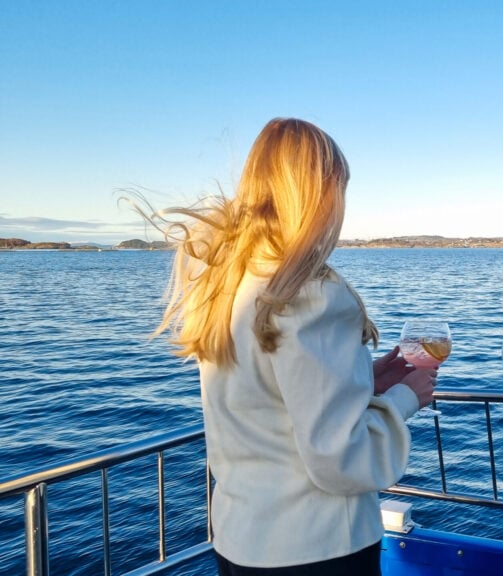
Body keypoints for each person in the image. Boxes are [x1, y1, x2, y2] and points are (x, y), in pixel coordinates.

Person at [134, 118, 436, 575]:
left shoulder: (225, 285)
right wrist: (404, 399)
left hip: (242, 542)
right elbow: (340, 460)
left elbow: (271, 397)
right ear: (318, 196)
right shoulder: (311, 296)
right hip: (319, 550)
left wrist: (363, 382)